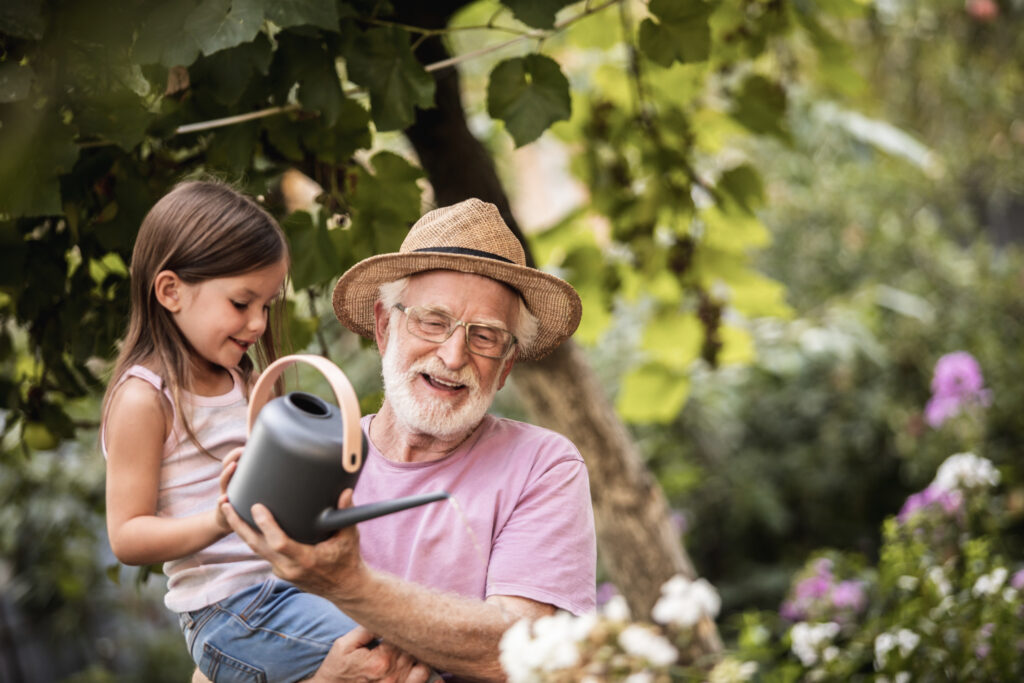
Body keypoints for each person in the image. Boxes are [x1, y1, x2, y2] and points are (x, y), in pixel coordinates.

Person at [222, 198, 597, 681]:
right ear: (383, 327)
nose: (454, 353)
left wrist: (349, 584)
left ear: (505, 366)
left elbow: (526, 651)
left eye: (485, 337)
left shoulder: (543, 465)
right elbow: (222, 647)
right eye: (433, 321)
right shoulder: (308, 457)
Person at [102, 181, 426, 683]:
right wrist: (219, 519)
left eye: (267, 305)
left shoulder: (246, 380)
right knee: (396, 652)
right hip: (231, 612)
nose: (257, 322)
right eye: (240, 303)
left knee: (411, 641)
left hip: (286, 588)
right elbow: (127, 536)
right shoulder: (144, 399)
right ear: (170, 291)